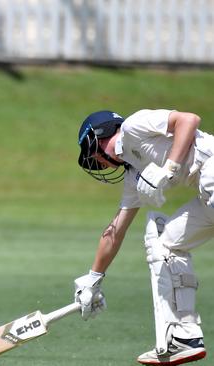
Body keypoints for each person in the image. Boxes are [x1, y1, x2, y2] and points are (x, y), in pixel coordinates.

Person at [74, 109, 214, 365]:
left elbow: (189, 120)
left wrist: (168, 168)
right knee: (168, 245)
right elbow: (116, 229)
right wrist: (93, 278)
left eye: (92, 152)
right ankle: (186, 335)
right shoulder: (134, 175)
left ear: (100, 135)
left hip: (211, 171)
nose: (97, 161)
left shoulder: (133, 126)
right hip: (206, 197)